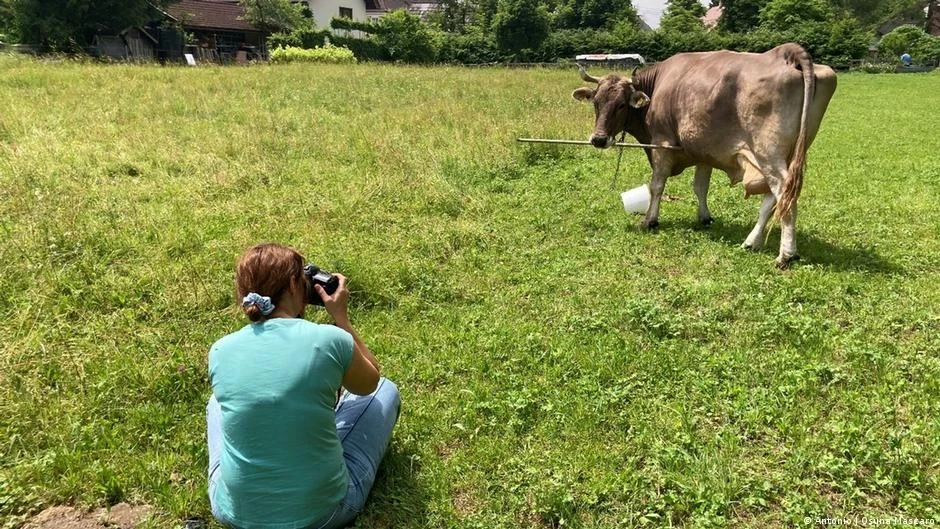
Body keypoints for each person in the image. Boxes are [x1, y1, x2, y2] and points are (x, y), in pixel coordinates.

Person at [207, 243, 400, 529]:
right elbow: (369, 382)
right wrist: (341, 317)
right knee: (385, 391)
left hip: (235, 513)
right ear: (297, 285)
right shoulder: (329, 339)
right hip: (324, 514)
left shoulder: (220, 350)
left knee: (216, 403)